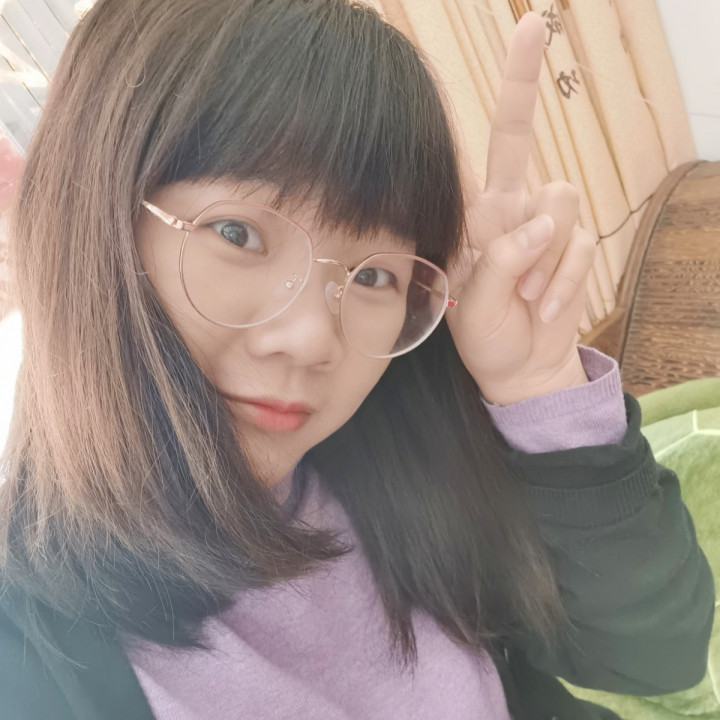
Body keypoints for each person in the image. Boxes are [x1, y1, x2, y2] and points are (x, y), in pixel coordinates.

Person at [0, 2, 713, 719]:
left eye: (373, 274)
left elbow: (656, 652)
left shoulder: (394, 437)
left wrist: (535, 383)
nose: (313, 338)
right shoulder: (32, 653)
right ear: (90, 214)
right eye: (237, 233)